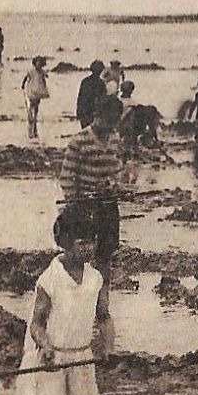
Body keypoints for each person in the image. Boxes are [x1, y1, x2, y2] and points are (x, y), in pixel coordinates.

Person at [20, 206, 114, 395]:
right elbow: (37, 323)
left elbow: (103, 316)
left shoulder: (96, 278)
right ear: (64, 242)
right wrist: (45, 347)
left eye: (92, 242)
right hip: (52, 357)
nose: (87, 248)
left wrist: (106, 345)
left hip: (78, 357)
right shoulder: (51, 278)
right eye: (80, 243)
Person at [59, 95, 125, 282]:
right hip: (84, 208)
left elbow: (115, 169)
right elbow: (67, 177)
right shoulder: (79, 141)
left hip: (108, 206)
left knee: (105, 257)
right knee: (79, 257)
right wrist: (75, 205)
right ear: (99, 115)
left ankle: (102, 307)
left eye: (115, 122)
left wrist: (114, 185)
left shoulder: (114, 138)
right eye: (110, 120)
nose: (113, 126)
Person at [22, 56, 50, 139]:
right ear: (34, 64)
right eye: (37, 63)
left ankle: (35, 118)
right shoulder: (31, 72)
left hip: (39, 90)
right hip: (32, 89)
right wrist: (23, 85)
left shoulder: (42, 72)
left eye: (40, 64)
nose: (39, 65)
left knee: (37, 104)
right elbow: (26, 78)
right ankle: (31, 116)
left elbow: (45, 77)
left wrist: (45, 81)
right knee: (31, 103)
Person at [75, 62, 107, 129]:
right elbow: (103, 99)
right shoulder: (101, 83)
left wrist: (78, 111)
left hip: (85, 109)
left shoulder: (85, 81)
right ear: (101, 71)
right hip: (94, 111)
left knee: (85, 131)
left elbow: (80, 97)